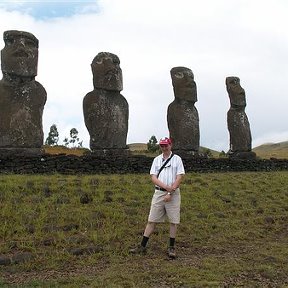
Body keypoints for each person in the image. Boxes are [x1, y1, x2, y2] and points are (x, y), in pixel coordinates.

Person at [130, 137, 185, 259]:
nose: (164, 148)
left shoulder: (177, 159)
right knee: (151, 220)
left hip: (174, 194)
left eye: (166, 145)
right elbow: (153, 177)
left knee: (173, 221)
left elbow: (179, 176)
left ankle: (171, 247)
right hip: (159, 193)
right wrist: (166, 188)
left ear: (171, 145)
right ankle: (142, 246)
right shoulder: (156, 160)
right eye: (162, 146)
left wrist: (170, 192)